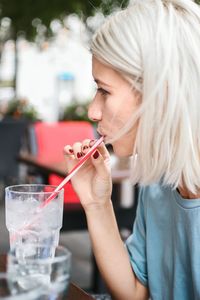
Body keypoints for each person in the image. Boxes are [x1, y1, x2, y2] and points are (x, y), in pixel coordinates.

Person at [64, 0, 200, 299]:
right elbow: (135, 291)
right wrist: (97, 204)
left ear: (160, 92)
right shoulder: (159, 182)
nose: (93, 111)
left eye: (104, 90)